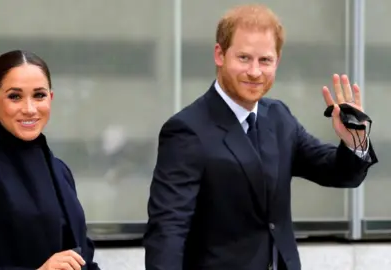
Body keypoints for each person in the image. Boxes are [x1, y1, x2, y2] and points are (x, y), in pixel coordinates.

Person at [143, 4, 378, 270]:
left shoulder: (278, 118)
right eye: (244, 58)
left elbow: (339, 172)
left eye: (265, 60)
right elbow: (167, 231)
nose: (255, 72)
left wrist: (354, 139)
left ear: (277, 61)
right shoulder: (186, 130)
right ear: (219, 54)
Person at [0, 50, 100, 270]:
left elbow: (82, 257)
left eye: (39, 95)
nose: (29, 109)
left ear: (50, 98)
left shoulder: (61, 172)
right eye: (15, 96)